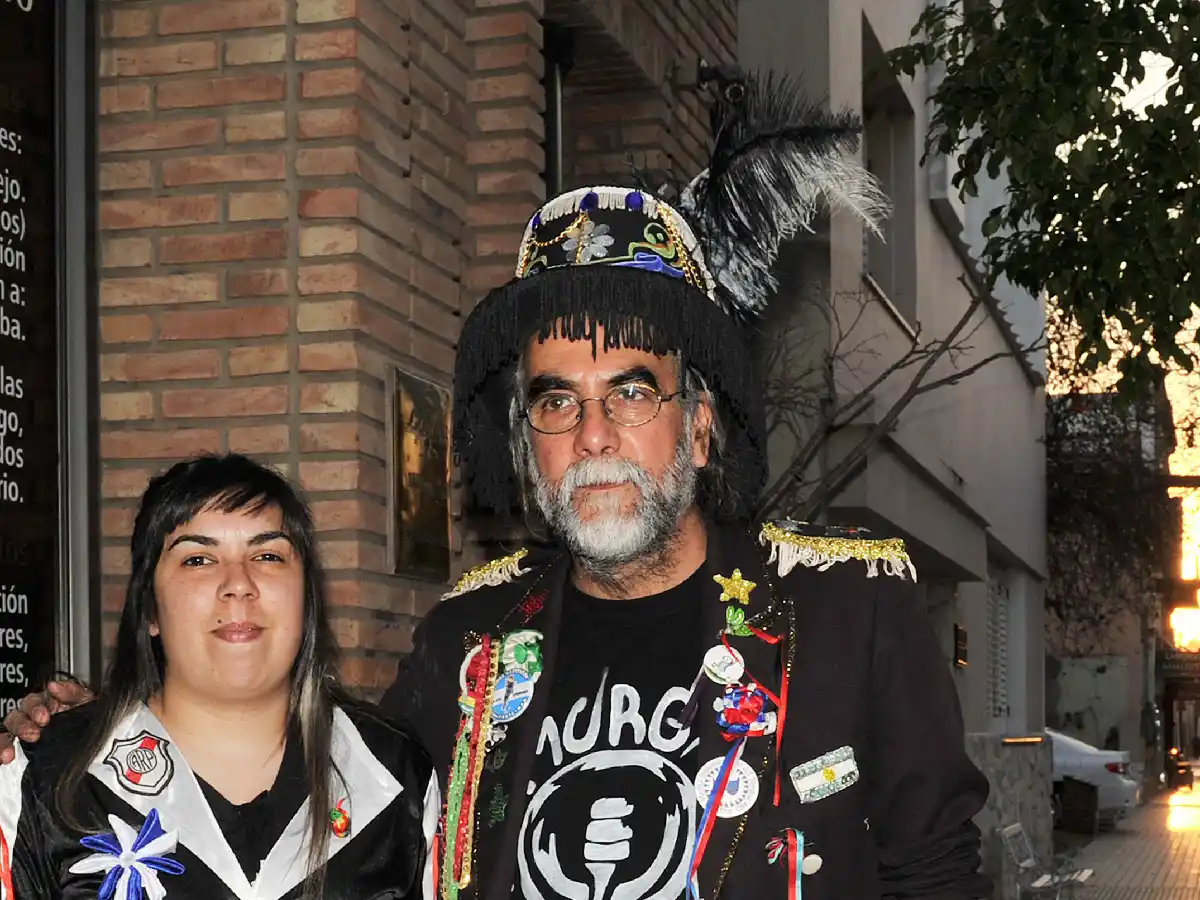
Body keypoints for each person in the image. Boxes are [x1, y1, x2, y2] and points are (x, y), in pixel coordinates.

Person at [4, 71, 991, 899]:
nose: (594, 434)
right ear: (526, 442)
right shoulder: (466, 640)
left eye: (633, 392)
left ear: (698, 422)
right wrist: (115, 736)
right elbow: (315, 778)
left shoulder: (849, 607)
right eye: (556, 402)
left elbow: (938, 870)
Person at [0, 454, 437, 900]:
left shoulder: (394, 777)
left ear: (307, 600)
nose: (238, 583)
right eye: (198, 559)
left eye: (268, 555)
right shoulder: (48, 781)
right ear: (149, 608)